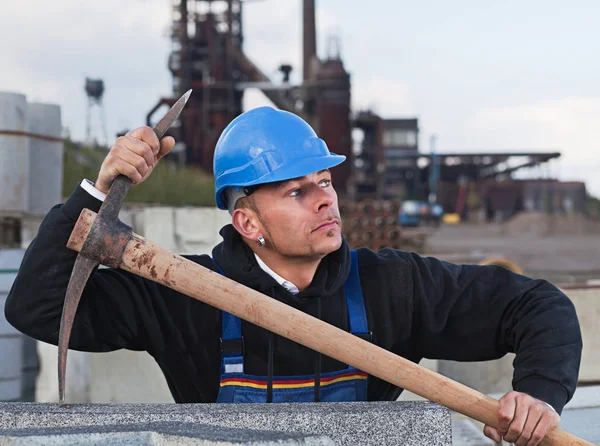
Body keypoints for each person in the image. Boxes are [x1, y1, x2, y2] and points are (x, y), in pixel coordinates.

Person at [6, 106, 581, 445]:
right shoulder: (183, 295)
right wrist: (96, 191)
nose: (324, 200)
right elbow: (35, 308)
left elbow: (536, 306)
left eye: (325, 182)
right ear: (247, 220)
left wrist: (540, 393)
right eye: (297, 191)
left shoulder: (391, 286)